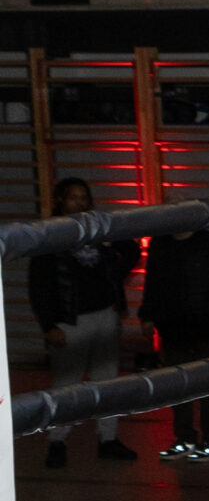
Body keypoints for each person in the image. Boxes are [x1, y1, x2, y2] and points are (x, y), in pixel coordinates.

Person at [30, 177, 140, 467]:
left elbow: (131, 249)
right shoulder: (50, 234)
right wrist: (49, 325)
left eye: (83, 197)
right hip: (70, 321)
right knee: (66, 385)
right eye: (73, 197)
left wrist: (114, 277)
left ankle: (108, 439)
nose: (79, 202)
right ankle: (57, 442)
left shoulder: (98, 227)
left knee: (108, 382)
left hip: (104, 315)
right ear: (60, 201)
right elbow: (38, 285)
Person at [140, 218, 209, 461]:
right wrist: (147, 315)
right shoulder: (160, 244)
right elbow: (152, 283)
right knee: (178, 389)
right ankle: (184, 438)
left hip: (207, 330)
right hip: (173, 331)